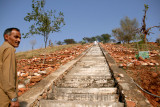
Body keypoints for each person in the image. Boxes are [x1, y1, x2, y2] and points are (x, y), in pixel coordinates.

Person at [0, 28, 21, 107]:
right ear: (6, 37)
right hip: (4, 97)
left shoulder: (2, 48)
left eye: (19, 38)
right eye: (16, 37)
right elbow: (8, 75)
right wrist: (13, 98)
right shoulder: (9, 49)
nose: (18, 40)